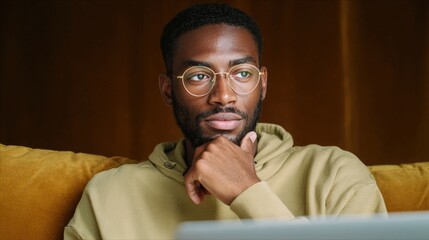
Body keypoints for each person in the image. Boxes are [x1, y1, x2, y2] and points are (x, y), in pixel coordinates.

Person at [64, 3, 386, 239]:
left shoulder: (334, 174)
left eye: (242, 73)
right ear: (167, 89)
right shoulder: (111, 195)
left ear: (262, 84)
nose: (223, 96)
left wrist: (247, 191)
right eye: (199, 75)